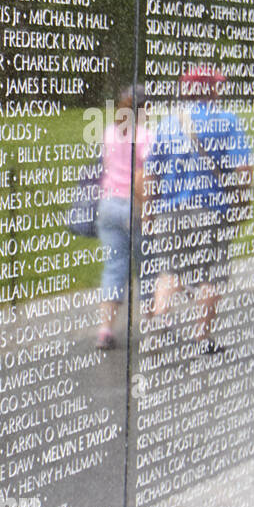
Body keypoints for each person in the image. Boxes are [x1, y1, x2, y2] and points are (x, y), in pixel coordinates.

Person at [143, 67, 252, 354]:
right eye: (216, 86)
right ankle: (201, 337)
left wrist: (149, 212)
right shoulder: (227, 120)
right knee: (211, 275)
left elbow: (151, 172)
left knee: (169, 271)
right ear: (210, 90)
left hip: (170, 209)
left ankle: (159, 324)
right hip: (211, 209)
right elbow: (243, 168)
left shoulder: (167, 123)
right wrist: (243, 201)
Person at [96, 85, 150, 349]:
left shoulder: (109, 132)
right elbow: (146, 175)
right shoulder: (145, 136)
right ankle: (152, 326)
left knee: (114, 267)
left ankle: (105, 329)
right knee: (146, 267)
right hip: (134, 205)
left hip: (108, 204)